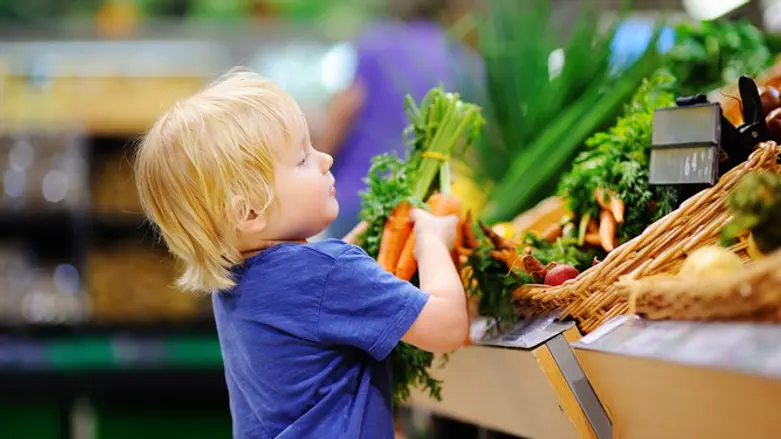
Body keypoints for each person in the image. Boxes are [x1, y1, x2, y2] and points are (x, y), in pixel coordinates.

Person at [133, 69, 467, 439]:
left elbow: (311, 305)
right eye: (303, 159)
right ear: (250, 213)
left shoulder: (237, 281)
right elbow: (448, 326)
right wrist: (432, 242)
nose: (325, 158)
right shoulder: (327, 273)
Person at [315, 0, 481, 239]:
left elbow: (343, 114)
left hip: (358, 196)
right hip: (424, 207)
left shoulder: (377, 44)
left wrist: (312, 162)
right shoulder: (463, 58)